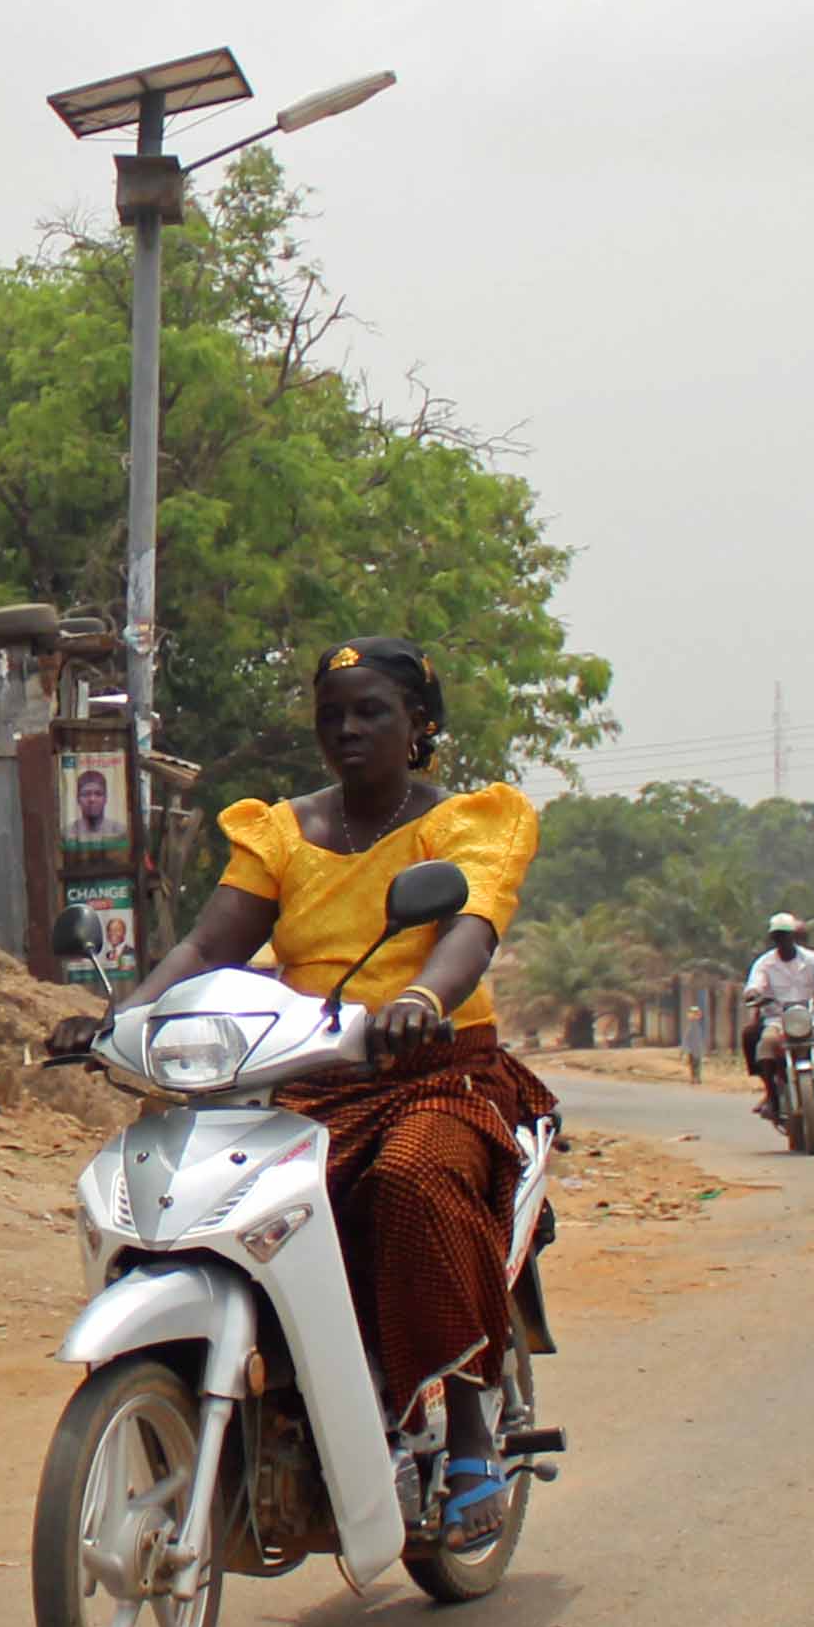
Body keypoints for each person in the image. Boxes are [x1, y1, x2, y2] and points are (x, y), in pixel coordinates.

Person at [115, 637, 549, 1516]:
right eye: (331, 715)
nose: (346, 729)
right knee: (239, 1207)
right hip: (310, 1075)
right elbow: (208, 944)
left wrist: (424, 995)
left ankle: (467, 1434)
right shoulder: (284, 830)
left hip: (434, 1067)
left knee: (413, 1179)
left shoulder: (465, 821)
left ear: (420, 724)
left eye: (370, 711)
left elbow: (469, 926)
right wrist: (123, 1017)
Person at [741, 913, 814, 1113]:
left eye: (786, 935)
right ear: (772, 939)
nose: (782, 940)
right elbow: (754, 986)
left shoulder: (813, 960)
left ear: (794, 937)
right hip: (777, 1019)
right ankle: (771, 1096)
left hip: (813, 1017)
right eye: (778, 936)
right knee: (766, 1045)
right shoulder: (764, 964)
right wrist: (754, 994)